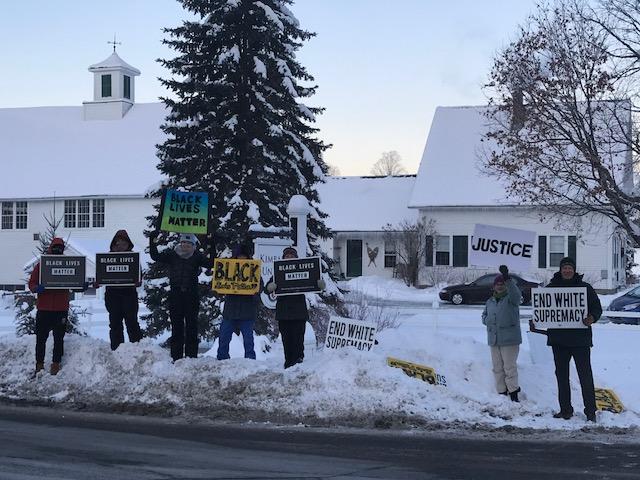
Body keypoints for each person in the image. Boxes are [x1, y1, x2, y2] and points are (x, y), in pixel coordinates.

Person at [532, 256, 602, 422]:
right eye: (565, 268)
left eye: (570, 268)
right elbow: (543, 309)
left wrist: (592, 317)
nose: (567, 270)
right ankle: (565, 410)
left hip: (580, 341)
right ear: (561, 270)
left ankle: (590, 411)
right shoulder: (551, 288)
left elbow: (597, 308)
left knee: (585, 376)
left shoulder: (585, 288)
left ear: (574, 270)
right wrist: (537, 320)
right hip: (559, 341)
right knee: (561, 377)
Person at [149, 231, 214, 361]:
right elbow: (155, 256)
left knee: (192, 327)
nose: (186, 246)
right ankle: (176, 357)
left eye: (189, 244)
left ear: (193, 246)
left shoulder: (197, 256)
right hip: (176, 294)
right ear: (180, 243)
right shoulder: (172, 255)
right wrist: (152, 240)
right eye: (184, 242)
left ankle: (191, 357)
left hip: (191, 295)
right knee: (176, 327)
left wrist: (211, 244)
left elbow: (211, 263)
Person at [266, 247, 325, 369]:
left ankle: (298, 362)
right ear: (283, 258)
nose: (289, 257)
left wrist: (321, 284)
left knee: (298, 339)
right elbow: (267, 288)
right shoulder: (278, 272)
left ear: (296, 257)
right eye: (287, 256)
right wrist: (270, 287)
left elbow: (314, 280)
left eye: (291, 255)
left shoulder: (303, 268)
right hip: (283, 312)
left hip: (299, 311)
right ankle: (288, 363)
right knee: (286, 340)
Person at [28, 238, 71, 376]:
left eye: (60, 248)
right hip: (44, 308)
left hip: (61, 309)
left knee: (59, 338)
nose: (58, 250)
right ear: (51, 248)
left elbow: (75, 281)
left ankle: (56, 363)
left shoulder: (68, 264)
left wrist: (81, 286)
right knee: (41, 338)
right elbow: (32, 282)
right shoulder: (42, 265)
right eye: (55, 247)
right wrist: (36, 288)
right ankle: (39, 364)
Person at [481, 265, 522, 402]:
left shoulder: (511, 299)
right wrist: (487, 320)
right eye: (497, 284)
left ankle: (513, 391)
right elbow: (484, 316)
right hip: (494, 339)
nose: (500, 286)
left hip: (509, 340)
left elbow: (516, 294)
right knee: (497, 367)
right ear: (494, 286)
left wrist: (507, 278)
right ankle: (501, 391)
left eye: (502, 284)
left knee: (509, 367)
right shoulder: (490, 301)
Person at [101, 230, 143, 351]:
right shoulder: (107, 258)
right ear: (114, 244)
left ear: (128, 244)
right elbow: (102, 274)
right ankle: (117, 350)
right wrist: (98, 281)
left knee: (132, 323)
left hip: (129, 295)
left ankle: (137, 349)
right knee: (115, 324)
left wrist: (138, 280)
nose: (120, 245)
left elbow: (139, 275)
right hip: (112, 295)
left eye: (123, 243)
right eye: (118, 243)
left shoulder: (134, 258)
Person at [217, 244, 259, 360]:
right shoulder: (228, 269)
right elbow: (219, 287)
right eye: (239, 256)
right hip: (230, 311)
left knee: (248, 339)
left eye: (243, 256)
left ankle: (250, 360)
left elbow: (259, 288)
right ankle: (222, 359)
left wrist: (254, 294)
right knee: (224, 337)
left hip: (247, 312)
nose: (241, 258)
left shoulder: (254, 270)